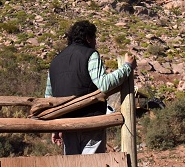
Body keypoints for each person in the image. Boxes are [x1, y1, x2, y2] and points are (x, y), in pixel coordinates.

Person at [44, 20, 137, 155]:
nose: (95, 42)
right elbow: (104, 84)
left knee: (72, 164)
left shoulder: (55, 62)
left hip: (66, 125)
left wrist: (54, 127)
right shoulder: (90, 54)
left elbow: (48, 98)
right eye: (94, 38)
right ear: (88, 38)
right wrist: (127, 67)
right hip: (91, 123)